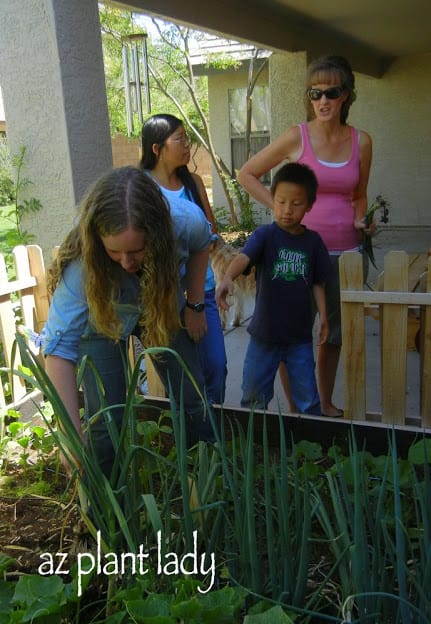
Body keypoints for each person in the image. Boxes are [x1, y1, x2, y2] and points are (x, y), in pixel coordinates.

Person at [42, 166, 217, 475]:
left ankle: (205, 478)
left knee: (193, 396)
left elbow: (202, 245)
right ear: (98, 242)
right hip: (103, 317)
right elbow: (59, 348)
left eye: (137, 250)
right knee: (107, 416)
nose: (126, 262)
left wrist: (195, 303)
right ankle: (106, 505)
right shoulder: (83, 266)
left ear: (159, 234)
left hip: (160, 304)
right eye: (114, 251)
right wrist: (69, 434)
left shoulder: (184, 220)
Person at [237, 55, 373, 417]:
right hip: (294, 252)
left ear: (346, 95)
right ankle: (300, 403)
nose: (323, 101)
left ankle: (324, 402)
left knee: (331, 334)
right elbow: (247, 174)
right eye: (315, 94)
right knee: (289, 331)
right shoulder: (296, 137)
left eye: (332, 92)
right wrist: (281, 211)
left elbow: (359, 196)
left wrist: (363, 221)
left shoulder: (362, 142)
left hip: (342, 255)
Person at [216, 162, 333, 414]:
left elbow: (317, 282)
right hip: (264, 336)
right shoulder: (265, 236)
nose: (287, 210)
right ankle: (255, 444)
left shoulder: (313, 242)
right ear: (273, 199)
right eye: (281, 201)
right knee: (253, 398)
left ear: (310, 205)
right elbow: (244, 258)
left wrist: (323, 316)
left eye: (296, 203)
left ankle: (306, 449)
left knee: (308, 400)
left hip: (299, 338)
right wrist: (227, 277)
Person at [140, 113, 227, 404]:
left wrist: (196, 302)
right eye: (179, 139)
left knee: (215, 365)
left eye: (187, 138)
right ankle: (192, 437)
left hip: (203, 290)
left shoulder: (194, 183)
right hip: (164, 296)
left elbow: (210, 232)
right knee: (184, 376)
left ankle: (212, 429)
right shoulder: (142, 188)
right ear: (157, 148)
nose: (187, 145)